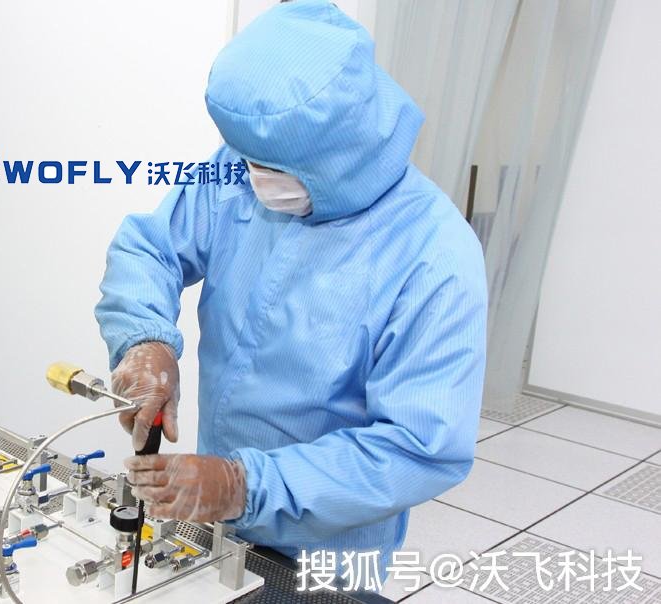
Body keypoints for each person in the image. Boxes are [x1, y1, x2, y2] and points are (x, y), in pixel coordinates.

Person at [95, 0, 488, 572]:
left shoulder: (435, 257)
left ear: (339, 153)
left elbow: (418, 448)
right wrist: (145, 341)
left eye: (272, 171)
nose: (254, 180)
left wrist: (245, 485)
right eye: (248, 161)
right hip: (218, 525)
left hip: (330, 550)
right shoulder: (249, 164)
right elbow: (150, 247)